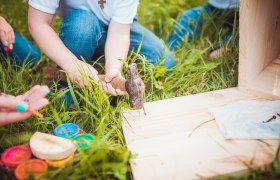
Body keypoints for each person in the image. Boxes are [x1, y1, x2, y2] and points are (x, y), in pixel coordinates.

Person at [27, 0, 175, 98]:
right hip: (82, 24)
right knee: (82, 27)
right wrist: (71, 64)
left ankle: (93, 52)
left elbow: (119, 32)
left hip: (114, 24)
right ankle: (66, 87)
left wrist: (114, 71)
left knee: (163, 60)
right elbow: (38, 23)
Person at [166, 0, 239, 59]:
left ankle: (224, 47)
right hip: (217, 6)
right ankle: (169, 54)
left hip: (241, 10)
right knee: (188, 17)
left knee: (216, 54)